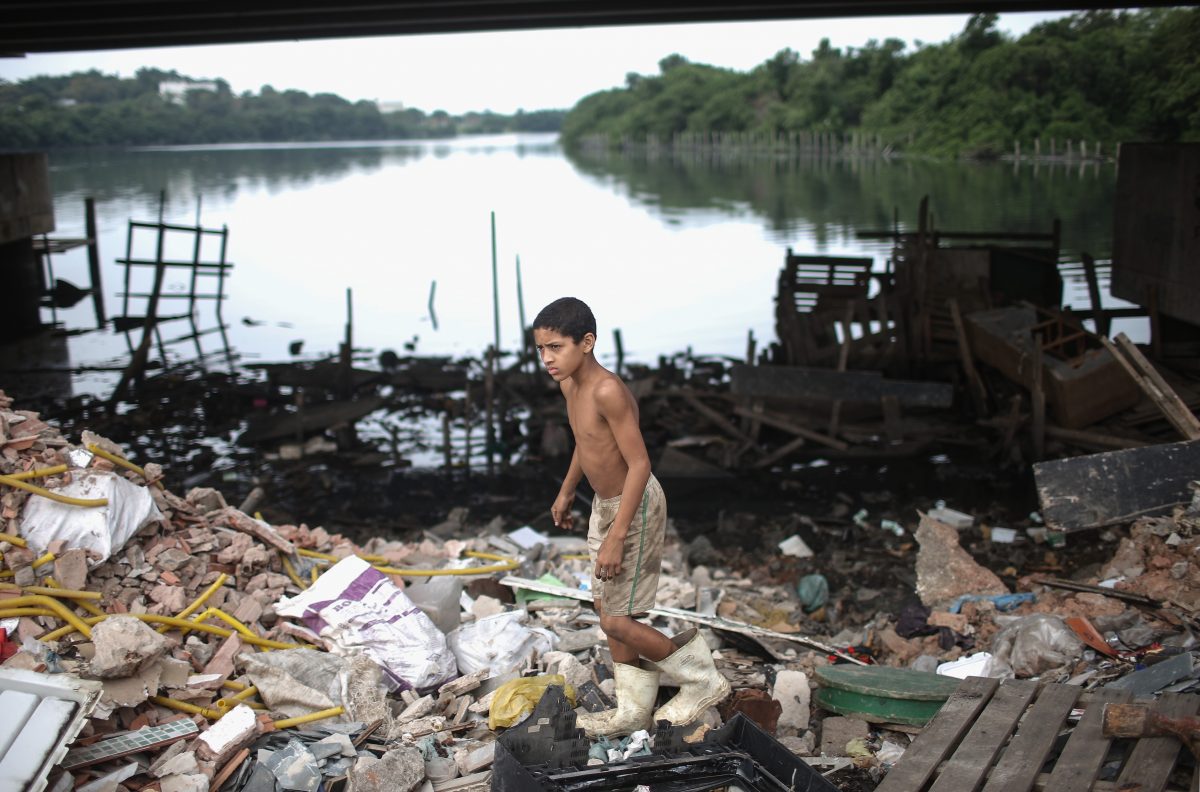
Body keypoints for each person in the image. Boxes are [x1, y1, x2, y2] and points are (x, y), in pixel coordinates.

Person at [531, 297, 729, 738]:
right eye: (540, 349)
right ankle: (633, 712)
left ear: (587, 342)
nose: (546, 359)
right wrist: (566, 491)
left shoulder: (607, 390)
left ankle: (703, 679)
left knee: (616, 620)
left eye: (555, 347)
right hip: (603, 504)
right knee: (607, 606)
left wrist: (618, 535)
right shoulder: (570, 387)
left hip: (634, 505)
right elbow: (587, 442)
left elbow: (639, 464)